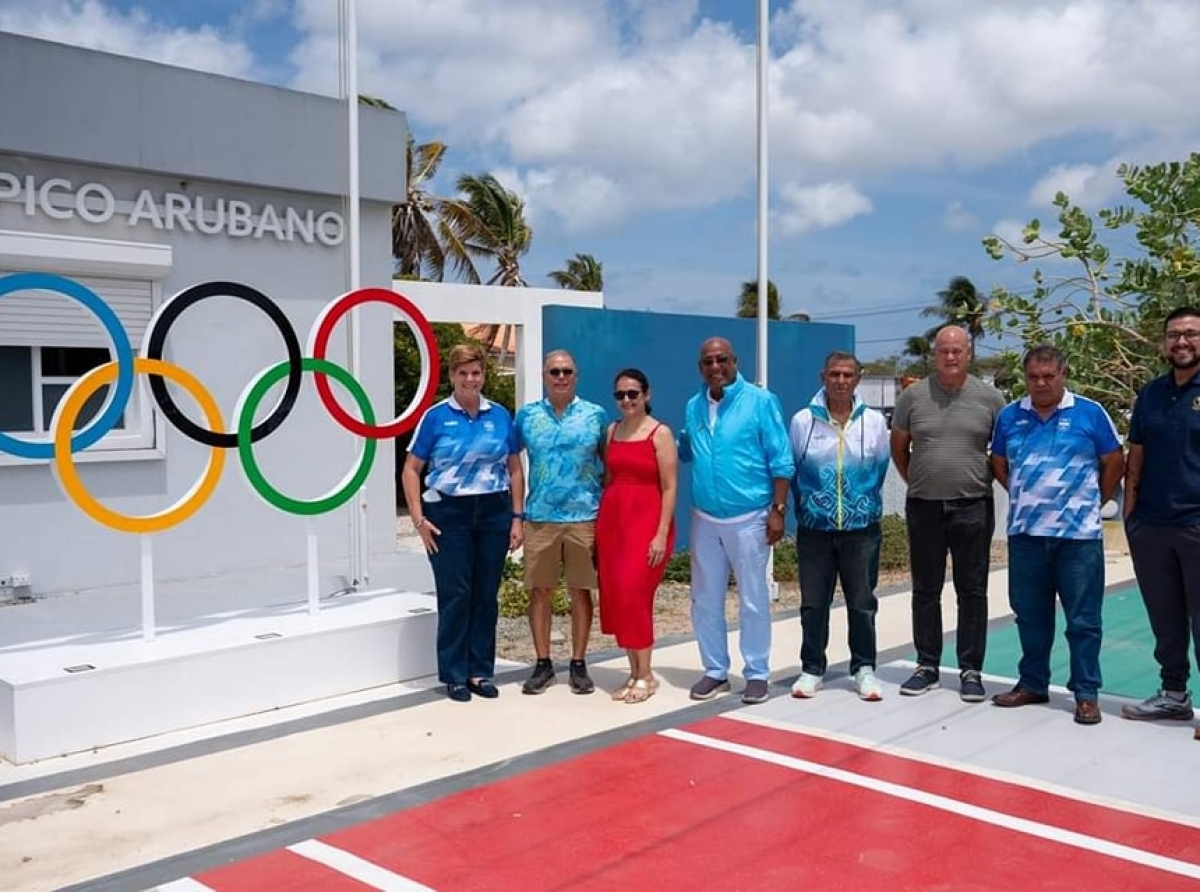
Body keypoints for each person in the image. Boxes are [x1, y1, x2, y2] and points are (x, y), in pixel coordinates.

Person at [989, 346, 1124, 725]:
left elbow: (1115, 460)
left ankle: (1085, 693)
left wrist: (1091, 501)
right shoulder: (1010, 416)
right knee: (1030, 616)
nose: (1042, 384)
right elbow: (998, 462)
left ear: (1064, 374)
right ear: (1025, 377)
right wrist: (1023, 495)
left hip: (1078, 538)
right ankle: (1033, 683)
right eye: (1034, 377)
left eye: (1049, 376)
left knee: (1083, 620)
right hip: (1026, 535)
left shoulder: (1089, 412)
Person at [401, 344, 525, 703]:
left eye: (476, 372)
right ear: (452, 376)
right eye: (463, 373)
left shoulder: (500, 415)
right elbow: (411, 470)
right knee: (456, 594)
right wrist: (418, 518)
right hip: (448, 515)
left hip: (492, 511)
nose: (470, 379)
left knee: (486, 595)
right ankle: (455, 674)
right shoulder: (436, 417)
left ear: (484, 375)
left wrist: (517, 518)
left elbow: (515, 470)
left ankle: (479, 670)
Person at [890, 324, 1006, 701]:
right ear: (934, 354)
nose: (951, 356)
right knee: (925, 589)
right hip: (924, 506)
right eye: (944, 351)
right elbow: (900, 449)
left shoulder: (991, 399)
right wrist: (922, 482)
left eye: (957, 350)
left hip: (973, 505)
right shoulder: (912, 397)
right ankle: (927, 665)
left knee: (972, 591)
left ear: (968, 353)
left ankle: (971, 670)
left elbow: (1002, 452)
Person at [679, 337, 794, 705]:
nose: (716, 367)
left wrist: (777, 510)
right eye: (708, 362)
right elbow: (685, 449)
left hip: (750, 516)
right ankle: (715, 670)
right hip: (705, 518)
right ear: (700, 368)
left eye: (722, 360)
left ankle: (757, 672)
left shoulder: (761, 401)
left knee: (754, 598)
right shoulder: (694, 407)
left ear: (735, 361)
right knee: (705, 599)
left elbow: (781, 458)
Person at [788, 352, 891, 702]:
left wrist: (859, 504)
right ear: (823, 376)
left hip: (861, 529)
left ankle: (864, 668)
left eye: (848, 374)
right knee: (813, 603)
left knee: (862, 603)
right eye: (834, 374)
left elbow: (879, 468)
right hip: (814, 529)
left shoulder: (874, 422)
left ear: (858, 378)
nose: (841, 381)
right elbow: (793, 470)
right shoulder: (803, 421)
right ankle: (812, 668)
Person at [1122, 307, 1200, 724]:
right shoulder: (1151, 393)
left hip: (1196, 524)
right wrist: (1131, 521)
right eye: (1174, 335)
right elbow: (1136, 458)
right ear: (1164, 342)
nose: (1182, 342)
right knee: (1165, 617)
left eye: (1190, 334)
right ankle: (1174, 694)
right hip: (1152, 526)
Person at [514, 349, 607, 695]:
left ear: (576, 375)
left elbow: (610, 464)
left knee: (581, 592)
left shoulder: (595, 415)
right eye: (554, 371)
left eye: (567, 370)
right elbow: (511, 464)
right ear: (544, 375)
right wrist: (516, 514)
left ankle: (579, 663)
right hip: (540, 518)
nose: (561, 377)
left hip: (585, 517)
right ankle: (543, 664)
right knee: (540, 592)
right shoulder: (527, 416)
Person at [595, 368, 678, 703]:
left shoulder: (660, 433)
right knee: (618, 597)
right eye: (620, 395)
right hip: (614, 523)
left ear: (647, 395)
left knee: (635, 596)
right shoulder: (612, 431)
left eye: (633, 393)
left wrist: (660, 534)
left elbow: (670, 487)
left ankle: (646, 674)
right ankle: (634, 672)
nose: (626, 400)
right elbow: (610, 478)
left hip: (647, 523)